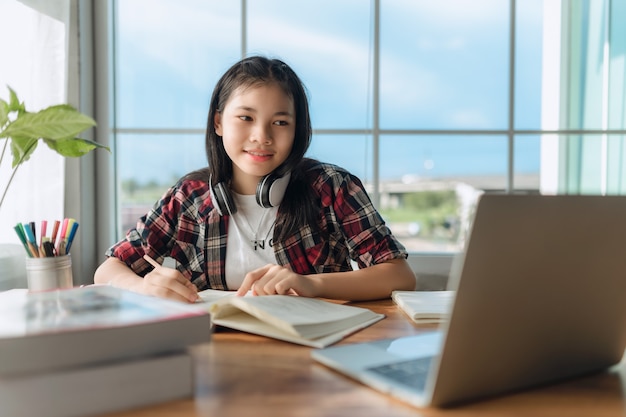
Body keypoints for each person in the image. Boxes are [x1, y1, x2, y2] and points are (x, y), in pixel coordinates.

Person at [94, 55, 416, 303]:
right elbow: (107, 269)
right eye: (245, 118)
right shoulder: (188, 197)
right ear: (219, 122)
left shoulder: (332, 187)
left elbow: (400, 275)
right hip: (219, 354)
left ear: (297, 129)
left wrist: (310, 284)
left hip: (314, 355)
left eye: (280, 122)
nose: (261, 137)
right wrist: (142, 287)